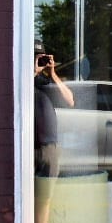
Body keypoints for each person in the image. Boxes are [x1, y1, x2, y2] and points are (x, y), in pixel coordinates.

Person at [33, 40, 75, 179]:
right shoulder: (23, 79)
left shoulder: (45, 81)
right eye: (35, 57)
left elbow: (70, 101)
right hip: (29, 145)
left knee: (46, 195)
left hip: (49, 148)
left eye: (41, 57)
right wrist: (33, 70)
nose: (39, 61)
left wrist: (52, 74)